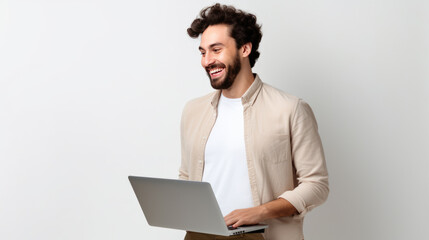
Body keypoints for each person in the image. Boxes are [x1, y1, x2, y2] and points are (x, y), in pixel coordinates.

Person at [179, 3, 329, 240]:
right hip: (200, 233)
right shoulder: (193, 110)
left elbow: (316, 184)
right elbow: (187, 176)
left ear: (245, 49)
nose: (206, 61)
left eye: (216, 50)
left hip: (260, 234)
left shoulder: (290, 109)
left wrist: (260, 211)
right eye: (202, 52)